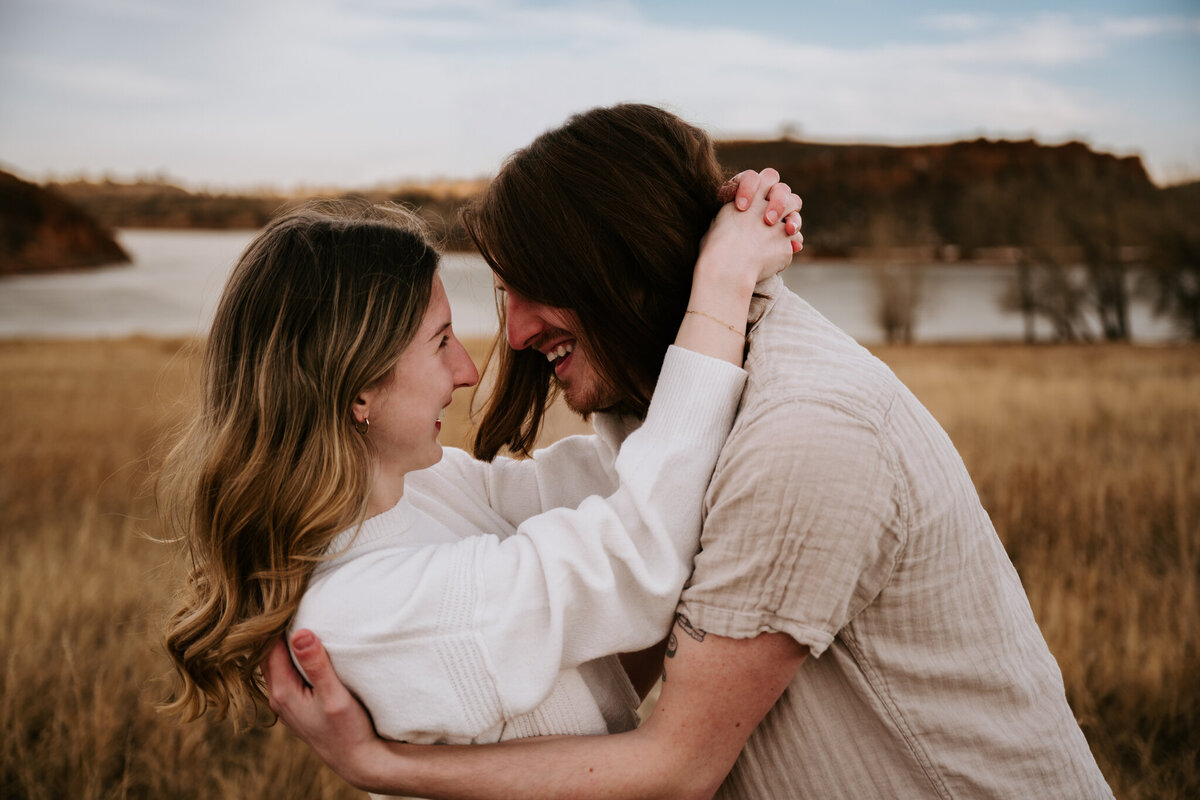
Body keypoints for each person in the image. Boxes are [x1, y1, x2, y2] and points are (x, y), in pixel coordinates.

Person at [265, 104, 1114, 799]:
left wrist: (383, 770)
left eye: (536, 287)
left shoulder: (802, 437)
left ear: (617, 268)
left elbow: (673, 762)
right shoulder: (668, 427)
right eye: (489, 303)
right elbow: (624, 529)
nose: (508, 339)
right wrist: (719, 277)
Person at [160, 188, 801, 746]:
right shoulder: (361, 614)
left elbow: (600, 483)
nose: (468, 372)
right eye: (441, 342)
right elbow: (633, 555)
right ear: (357, 387)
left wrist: (647, 271)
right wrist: (720, 286)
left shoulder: (411, 491)